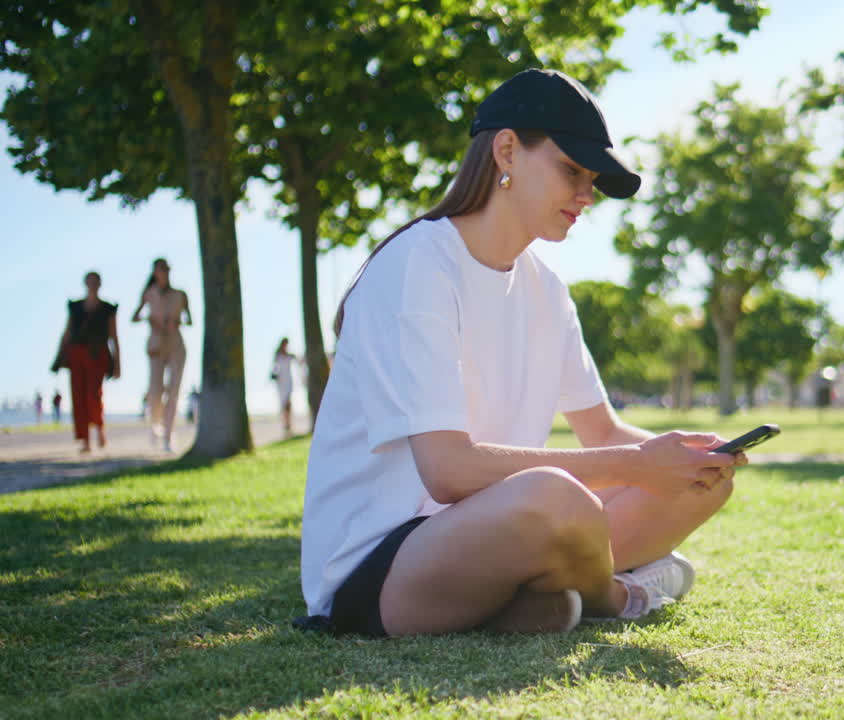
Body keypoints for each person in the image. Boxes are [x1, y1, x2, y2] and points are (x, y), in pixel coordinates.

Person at [300, 69, 746, 638]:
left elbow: (603, 433)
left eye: (592, 180)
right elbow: (449, 472)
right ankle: (615, 594)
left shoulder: (546, 288)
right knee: (554, 496)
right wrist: (633, 467)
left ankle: (544, 600)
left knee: (697, 484)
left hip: (491, 534)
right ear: (507, 150)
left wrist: (692, 455)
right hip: (378, 574)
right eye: (571, 171)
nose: (586, 196)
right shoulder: (417, 267)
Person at [52, 271, 120, 452]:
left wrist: (117, 363)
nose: (92, 285)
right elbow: (67, 332)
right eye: (90, 281)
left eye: (95, 281)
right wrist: (59, 356)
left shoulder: (107, 309)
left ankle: (99, 427)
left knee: (93, 393)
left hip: (97, 353)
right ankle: (85, 440)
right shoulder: (75, 307)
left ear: (100, 284)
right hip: (76, 353)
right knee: (78, 396)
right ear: (85, 283)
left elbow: (114, 336)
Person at [131, 257, 191, 452]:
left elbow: (190, 319)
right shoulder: (149, 294)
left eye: (166, 269)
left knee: (174, 391)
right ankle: (155, 423)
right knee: (155, 391)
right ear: (155, 272)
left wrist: (177, 322)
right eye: (160, 269)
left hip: (176, 344)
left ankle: (168, 435)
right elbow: (135, 316)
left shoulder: (180, 295)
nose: (163, 273)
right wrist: (149, 318)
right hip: (156, 345)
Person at [271, 338, 296, 435]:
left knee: (289, 404)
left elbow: (299, 361)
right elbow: (275, 368)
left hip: (288, 381)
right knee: (284, 404)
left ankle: (289, 425)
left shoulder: (289, 355)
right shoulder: (278, 355)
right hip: (281, 382)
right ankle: (285, 425)